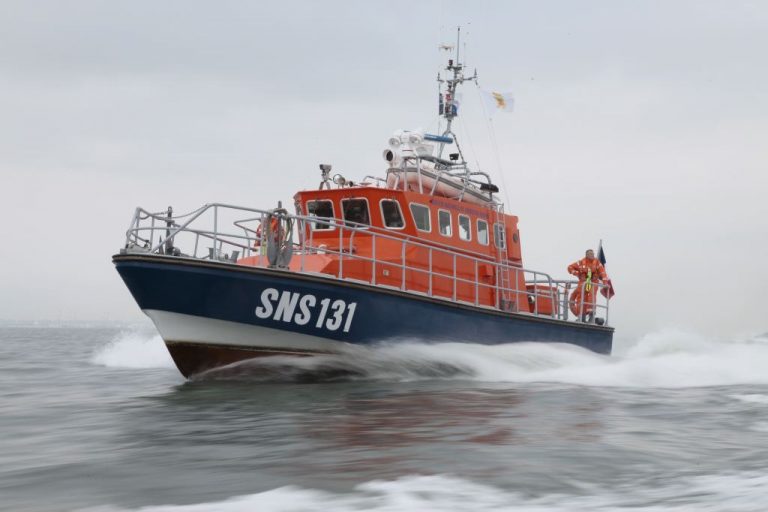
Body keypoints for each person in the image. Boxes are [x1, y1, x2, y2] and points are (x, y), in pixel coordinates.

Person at [567, 249, 609, 322]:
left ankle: (591, 315)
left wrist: (605, 283)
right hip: (583, 283)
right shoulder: (580, 263)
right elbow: (570, 267)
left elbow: (603, 273)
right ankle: (581, 315)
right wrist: (576, 273)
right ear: (586, 255)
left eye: (592, 254)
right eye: (589, 254)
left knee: (592, 296)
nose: (591, 255)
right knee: (581, 298)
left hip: (593, 282)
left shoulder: (597, 263)